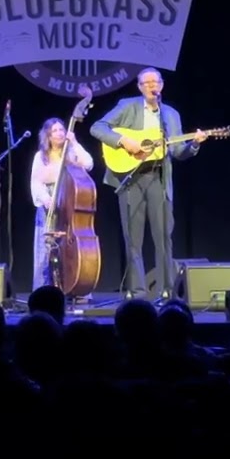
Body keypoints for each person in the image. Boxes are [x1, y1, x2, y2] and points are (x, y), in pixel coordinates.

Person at [89, 68, 207, 301]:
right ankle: (138, 293)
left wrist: (194, 144)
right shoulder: (127, 106)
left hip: (159, 178)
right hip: (131, 177)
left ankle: (166, 292)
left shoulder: (170, 114)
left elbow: (177, 151)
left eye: (156, 81)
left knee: (164, 237)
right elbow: (97, 127)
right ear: (140, 87)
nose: (152, 85)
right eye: (147, 82)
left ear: (161, 85)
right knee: (133, 239)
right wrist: (124, 141)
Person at [29, 117, 95, 291]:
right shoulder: (41, 156)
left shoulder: (72, 152)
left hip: (69, 198)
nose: (59, 133)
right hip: (48, 202)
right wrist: (45, 198)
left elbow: (88, 164)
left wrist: (75, 143)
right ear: (48, 136)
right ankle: (42, 290)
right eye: (54, 131)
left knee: (68, 248)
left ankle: (73, 285)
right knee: (44, 250)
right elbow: (36, 182)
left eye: (61, 130)